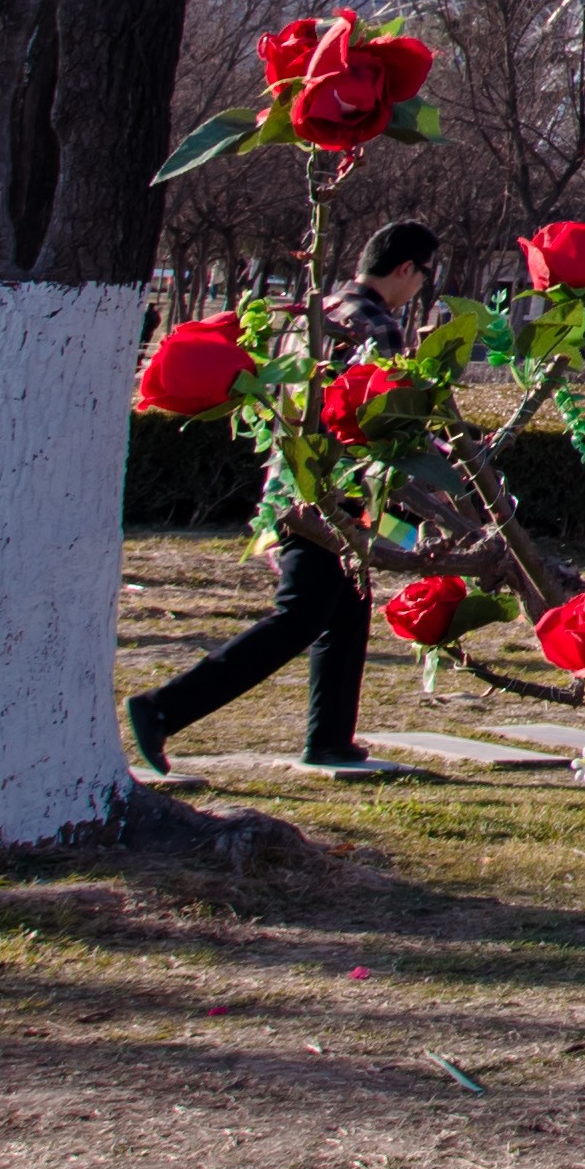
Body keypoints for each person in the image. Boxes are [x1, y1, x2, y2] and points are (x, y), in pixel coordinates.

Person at [125, 218, 437, 778]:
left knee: (346, 612)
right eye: (421, 276)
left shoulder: (311, 317)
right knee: (299, 618)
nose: (419, 289)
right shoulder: (377, 327)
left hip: (292, 484)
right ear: (406, 268)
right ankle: (164, 707)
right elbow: (389, 421)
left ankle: (330, 738)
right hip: (339, 492)